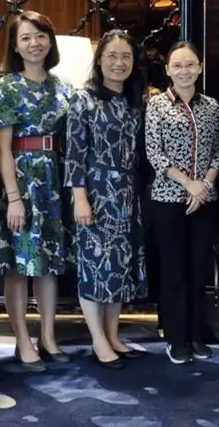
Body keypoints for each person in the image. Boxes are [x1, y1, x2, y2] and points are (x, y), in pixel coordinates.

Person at [0, 12, 72, 371]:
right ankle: (22, 339)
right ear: (15, 45)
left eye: (40, 36)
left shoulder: (64, 87)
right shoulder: (5, 88)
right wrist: (13, 197)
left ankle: (48, 336)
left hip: (54, 180)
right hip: (21, 179)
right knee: (18, 265)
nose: (34, 43)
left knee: (48, 264)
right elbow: (2, 149)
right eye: (25, 37)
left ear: (50, 41)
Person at [65, 29, 149, 369]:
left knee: (120, 266)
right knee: (94, 265)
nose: (119, 63)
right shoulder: (83, 99)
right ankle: (98, 339)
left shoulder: (135, 101)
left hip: (128, 193)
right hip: (96, 192)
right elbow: (74, 154)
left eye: (125, 56)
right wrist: (79, 198)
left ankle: (113, 335)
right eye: (112, 56)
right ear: (99, 60)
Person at [144, 41, 219, 365]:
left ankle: (196, 336)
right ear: (167, 70)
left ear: (200, 68)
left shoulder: (211, 106)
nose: (184, 71)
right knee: (174, 271)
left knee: (198, 270)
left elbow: (218, 151)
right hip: (167, 199)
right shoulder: (157, 105)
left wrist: (203, 186)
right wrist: (188, 183)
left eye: (190, 64)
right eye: (177, 65)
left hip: (203, 199)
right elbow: (154, 153)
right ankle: (176, 339)